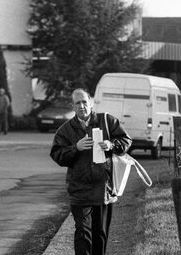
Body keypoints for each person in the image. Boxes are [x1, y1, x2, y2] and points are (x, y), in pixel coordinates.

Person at [50, 88, 131, 255]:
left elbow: (126, 140)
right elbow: (57, 155)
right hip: (80, 191)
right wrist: (75, 148)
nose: (82, 106)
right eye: (77, 103)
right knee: (82, 234)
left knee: (100, 235)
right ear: (73, 106)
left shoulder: (106, 121)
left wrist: (111, 145)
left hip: (103, 190)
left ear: (91, 103)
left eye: (84, 102)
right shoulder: (66, 130)